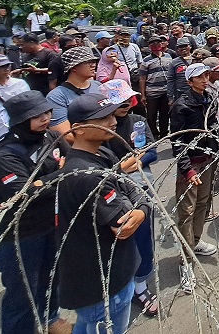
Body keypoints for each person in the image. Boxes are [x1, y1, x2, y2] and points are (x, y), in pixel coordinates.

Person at [58, 95, 150, 334]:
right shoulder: (86, 174)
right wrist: (141, 209)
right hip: (104, 280)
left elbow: (129, 186)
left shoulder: (101, 155)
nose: (112, 121)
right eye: (102, 118)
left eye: (111, 115)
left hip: (110, 271)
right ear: (78, 129)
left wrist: (141, 207)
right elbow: (121, 226)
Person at [0, 91, 71, 334]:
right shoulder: (6, 155)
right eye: (37, 115)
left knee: (51, 278)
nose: (45, 118)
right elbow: (25, 194)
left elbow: (72, 162)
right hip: (19, 235)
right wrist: (59, 174)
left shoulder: (52, 137)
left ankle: (50, 319)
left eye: (46, 112)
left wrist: (45, 181)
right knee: (22, 295)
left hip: (51, 224)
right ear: (21, 119)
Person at [98, 80, 160, 318]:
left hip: (142, 186)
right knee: (117, 238)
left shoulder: (139, 122)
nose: (124, 104)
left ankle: (141, 286)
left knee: (143, 237)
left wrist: (140, 161)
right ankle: (117, 285)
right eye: (118, 101)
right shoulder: (102, 129)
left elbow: (152, 150)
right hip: (112, 192)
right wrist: (121, 168)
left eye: (127, 99)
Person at [170, 63, 219, 293]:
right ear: (190, 81)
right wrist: (187, 170)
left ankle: (196, 239)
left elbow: (212, 129)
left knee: (203, 203)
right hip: (191, 164)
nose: (205, 80)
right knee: (187, 210)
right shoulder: (181, 106)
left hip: (207, 159)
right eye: (199, 77)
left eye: (206, 76)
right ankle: (186, 262)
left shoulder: (208, 98)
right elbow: (177, 142)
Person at [46, 47, 101, 135]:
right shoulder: (56, 96)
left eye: (94, 62)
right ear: (73, 67)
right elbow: (64, 134)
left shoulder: (98, 85)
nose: (93, 65)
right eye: (88, 62)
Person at [140, 36, 172, 138]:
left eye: (158, 43)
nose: (156, 45)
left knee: (165, 115)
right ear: (149, 46)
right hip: (152, 92)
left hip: (165, 91)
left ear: (161, 44)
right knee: (151, 116)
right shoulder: (146, 61)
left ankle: (164, 134)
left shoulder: (168, 57)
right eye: (153, 43)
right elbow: (142, 79)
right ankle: (153, 134)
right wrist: (143, 95)